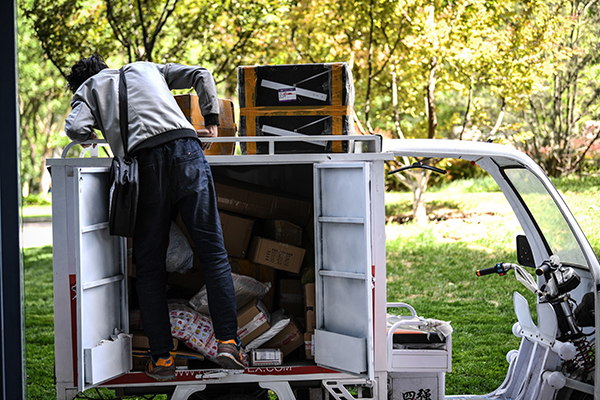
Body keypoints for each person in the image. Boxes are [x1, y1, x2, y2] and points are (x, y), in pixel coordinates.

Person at [64, 54, 244, 381]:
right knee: (214, 255)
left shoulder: (88, 89)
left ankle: (162, 358)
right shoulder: (147, 68)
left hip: (144, 165)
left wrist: (94, 131)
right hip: (186, 151)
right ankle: (228, 342)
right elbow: (201, 73)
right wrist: (211, 118)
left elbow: (76, 128)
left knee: (149, 269)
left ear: (80, 82)